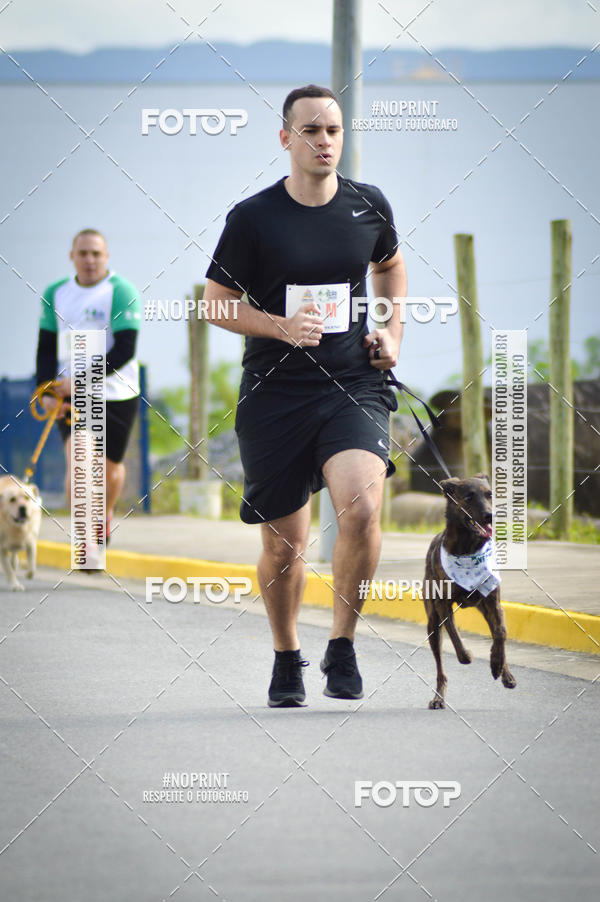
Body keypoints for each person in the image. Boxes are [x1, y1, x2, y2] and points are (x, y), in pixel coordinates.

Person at [204, 84, 407, 706]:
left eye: (333, 131)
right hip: (275, 395)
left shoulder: (368, 204)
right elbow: (216, 304)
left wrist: (391, 332)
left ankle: (342, 645)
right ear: (286, 138)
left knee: (361, 509)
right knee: (284, 545)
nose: (324, 141)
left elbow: (390, 266)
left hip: (352, 385)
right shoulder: (253, 217)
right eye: (311, 130)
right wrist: (280, 326)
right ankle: (286, 655)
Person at [35, 229, 141, 547]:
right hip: (72, 396)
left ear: (106, 256)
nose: (90, 260)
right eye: (83, 253)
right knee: (80, 461)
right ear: (72, 256)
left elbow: (125, 350)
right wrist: (47, 392)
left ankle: (104, 514)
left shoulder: (120, 290)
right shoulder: (55, 292)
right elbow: (45, 349)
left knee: (110, 469)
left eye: (96, 253)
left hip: (117, 392)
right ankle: (85, 541)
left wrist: (80, 381)